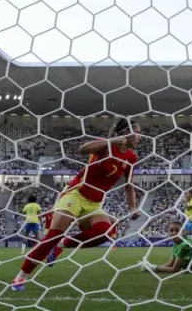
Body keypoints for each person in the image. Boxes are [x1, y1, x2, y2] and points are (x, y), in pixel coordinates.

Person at [11, 118, 141, 290]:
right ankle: (20, 278)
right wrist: (114, 140)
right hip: (76, 193)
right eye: (138, 132)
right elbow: (83, 148)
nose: (140, 137)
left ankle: (60, 246)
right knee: (53, 235)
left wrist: (132, 208)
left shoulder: (131, 157)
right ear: (126, 133)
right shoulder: (106, 146)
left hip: (94, 203)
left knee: (106, 232)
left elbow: (129, 186)